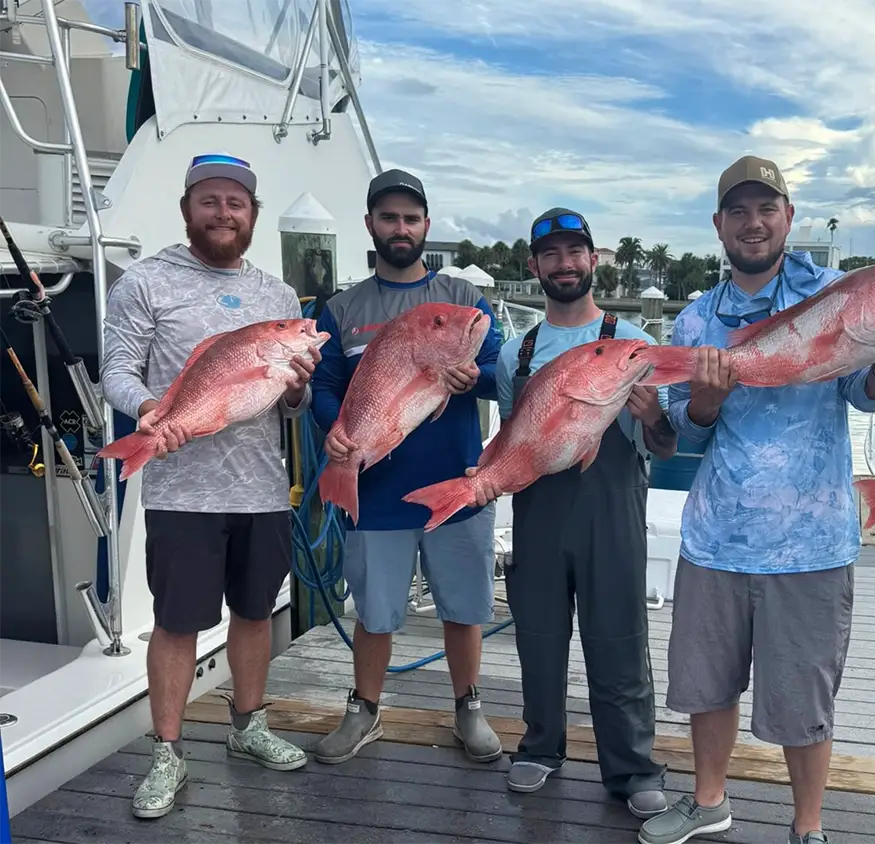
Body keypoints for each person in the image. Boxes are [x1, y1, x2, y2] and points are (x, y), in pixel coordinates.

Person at [638, 156, 875, 844]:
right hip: (717, 535)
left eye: (766, 208)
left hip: (813, 538)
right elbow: (675, 429)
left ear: (788, 217)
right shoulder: (697, 319)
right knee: (706, 685)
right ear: (719, 226)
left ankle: (808, 826)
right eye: (738, 210)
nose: (753, 222)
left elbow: (859, 394)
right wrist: (698, 403)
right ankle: (709, 803)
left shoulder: (837, 294)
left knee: (805, 695)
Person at [99, 153, 319, 819]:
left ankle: (247, 727)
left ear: (252, 214)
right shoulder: (146, 282)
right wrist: (148, 414)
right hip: (180, 492)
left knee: (255, 615)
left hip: (259, 491)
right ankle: (168, 751)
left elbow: (291, 405)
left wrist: (300, 388)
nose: (224, 214)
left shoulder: (279, 298)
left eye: (237, 204)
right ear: (188, 206)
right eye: (211, 201)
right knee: (177, 623)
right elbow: (116, 369)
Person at [467, 207, 676, 818]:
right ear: (535, 266)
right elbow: (515, 437)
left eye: (574, 251)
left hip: (612, 508)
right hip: (538, 508)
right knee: (538, 636)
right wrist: (485, 479)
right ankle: (540, 746)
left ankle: (632, 767)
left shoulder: (636, 344)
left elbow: (664, 445)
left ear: (592, 258)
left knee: (619, 639)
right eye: (551, 254)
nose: (564, 263)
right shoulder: (517, 353)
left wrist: (652, 416)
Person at [308, 169, 506, 767]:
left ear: (426, 225)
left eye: (411, 218)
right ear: (371, 224)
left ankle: (467, 707)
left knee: (465, 605)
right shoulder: (341, 308)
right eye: (389, 217)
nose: (401, 227)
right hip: (375, 489)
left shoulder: (467, 302)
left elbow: (500, 376)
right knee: (374, 610)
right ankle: (364, 709)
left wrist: (476, 379)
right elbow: (323, 386)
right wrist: (335, 433)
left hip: (456, 484)